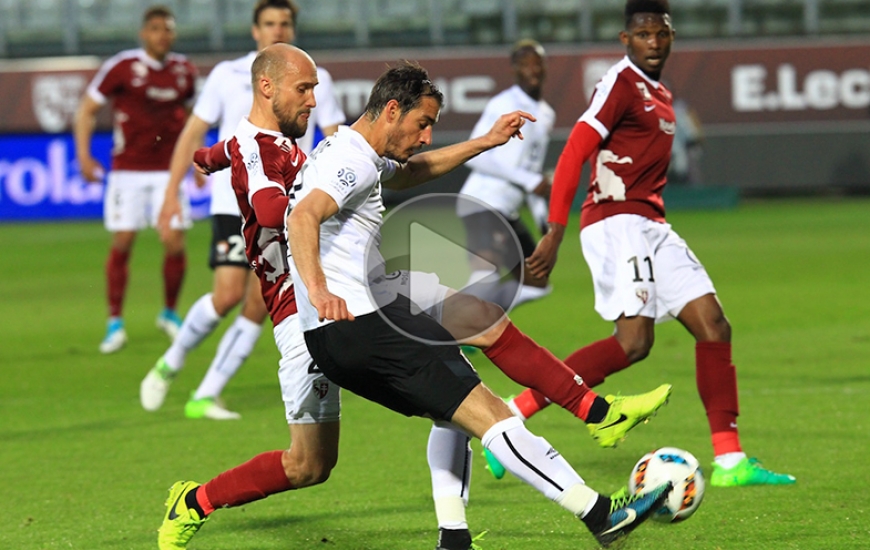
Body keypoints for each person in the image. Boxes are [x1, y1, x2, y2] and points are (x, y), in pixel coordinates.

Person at [155, 51, 672, 550]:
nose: (314, 99)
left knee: (462, 351)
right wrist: (316, 284)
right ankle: (602, 512)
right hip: (343, 320)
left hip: (353, 314)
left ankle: (575, 432)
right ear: (392, 110)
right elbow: (296, 215)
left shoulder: (352, 152)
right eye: (422, 124)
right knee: (485, 412)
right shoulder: (341, 157)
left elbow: (407, 172)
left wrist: (484, 143)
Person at [503, 0, 796, 488]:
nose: (653, 43)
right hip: (616, 222)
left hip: (651, 224)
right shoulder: (618, 83)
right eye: (643, 35)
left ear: (671, 36)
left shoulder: (659, 94)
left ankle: (729, 461)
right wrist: (555, 230)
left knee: (714, 325)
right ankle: (517, 412)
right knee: (634, 343)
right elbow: (575, 149)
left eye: (661, 34)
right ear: (626, 40)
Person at [139, 0, 345, 420]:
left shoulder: (315, 78)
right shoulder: (228, 75)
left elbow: (335, 138)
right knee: (227, 295)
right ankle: (171, 362)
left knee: (260, 303)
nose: (277, 29)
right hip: (235, 202)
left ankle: (206, 392)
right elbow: (194, 134)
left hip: (289, 206)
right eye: (269, 23)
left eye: (284, 22)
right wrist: (170, 193)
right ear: (255, 30)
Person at [74, 5, 197, 354]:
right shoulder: (122, 67)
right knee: (123, 241)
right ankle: (115, 321)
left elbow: (195, 119)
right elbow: (86, 109)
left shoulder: (183, 71)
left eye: (168, 29)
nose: (163, 35)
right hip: (127, 171)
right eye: (156, 28)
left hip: (167, 172)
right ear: (144, 33)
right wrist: (83, 156)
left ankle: (169, 313)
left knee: (174, 241)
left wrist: (199, 161)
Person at [457, 39, 554, 310]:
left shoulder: (546, 114)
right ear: (515, 70)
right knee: (486, 271)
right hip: (482, 201)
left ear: (545, 68)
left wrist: (541, 219)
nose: (533, 71)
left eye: (538, 65)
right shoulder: (505, 104)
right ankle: (449, 325)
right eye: (526, 66)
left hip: (507, 210)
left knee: (538, 281)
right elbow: (475, 153)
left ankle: (482, 320)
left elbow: (533, 173)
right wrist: (527, 180)